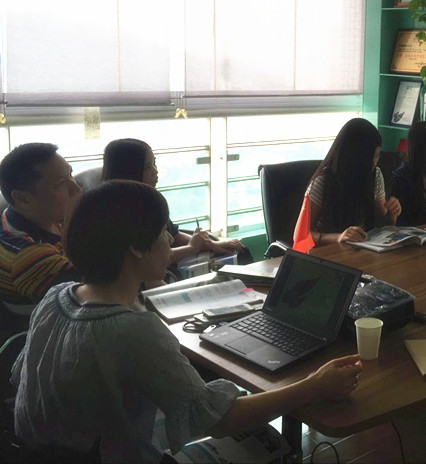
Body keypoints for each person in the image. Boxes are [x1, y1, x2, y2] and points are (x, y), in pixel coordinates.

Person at [12, 180, 362, 462]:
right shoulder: (132, 330)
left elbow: (23, 377)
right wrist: (313, 386)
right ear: (136, 248)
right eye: (162, 231)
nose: (169, 239)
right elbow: (219, 420)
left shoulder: (56, 298)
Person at [102, 138, 245, 264]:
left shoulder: (149, 200)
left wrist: (210, 244)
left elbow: (175, 236)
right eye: (147, 167)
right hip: (158, 273)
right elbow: (152, 259)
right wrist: (192, 248)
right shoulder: (122, 212)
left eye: (154, 163)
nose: (155, 171)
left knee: (240, 251)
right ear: (128, 171)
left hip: (168, 265)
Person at [0, 143, 81, 333]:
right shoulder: (27, 256)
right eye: (60, 183)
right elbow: (101, 294)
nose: (76, 188)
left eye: (71, 175)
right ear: (23, 198)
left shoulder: (41, 217)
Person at [293, 118, 401, 246]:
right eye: (368, 158)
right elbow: (300, 237)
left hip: (363, 248)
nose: (373, 164)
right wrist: (338, 237)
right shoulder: (323, 182)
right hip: (330, 251)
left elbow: (382, 226)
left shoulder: (375, 175)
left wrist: (392, 214)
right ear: (353, 156)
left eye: (377, 156)